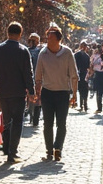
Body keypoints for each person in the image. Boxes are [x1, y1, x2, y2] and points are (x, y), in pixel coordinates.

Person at [0, 21, 34, 164]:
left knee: (7, 120)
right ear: (20, 34)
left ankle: (6, 148)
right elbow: (28, 73)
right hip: (18, 92)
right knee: (17, 122)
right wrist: (31, 91)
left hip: (3, 91)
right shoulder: (23, 51)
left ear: (8, 33)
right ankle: (13, 152)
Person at [34, 25, 79, 161]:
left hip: (63, 93)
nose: (48, 40)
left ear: (58, 40)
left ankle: (58, 148)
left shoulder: (67, 53)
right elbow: (38, 76)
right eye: (47, 37)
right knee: (47, 123)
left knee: (61, 123)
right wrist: (37, 92)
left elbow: (74, 75)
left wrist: (74, 94)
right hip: (47, 93)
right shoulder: (43, 53)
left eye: (51, 38)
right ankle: (49, 150)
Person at [26, 32, 43, 129]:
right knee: (38, 99)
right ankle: (35, 119)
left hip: (27, 78)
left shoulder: (26, 51)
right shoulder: (40, 52)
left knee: (28, 97)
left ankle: (30, 114)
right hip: (38, 78)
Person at [74, 40, 91, 112]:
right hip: (84, 74)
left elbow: (74, 65)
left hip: (79, 73)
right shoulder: (87, 56)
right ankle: (85, 104)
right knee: (85, 89)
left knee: (81, 89)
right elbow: (88, 66)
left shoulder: (76, 55)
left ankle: (81, 105)